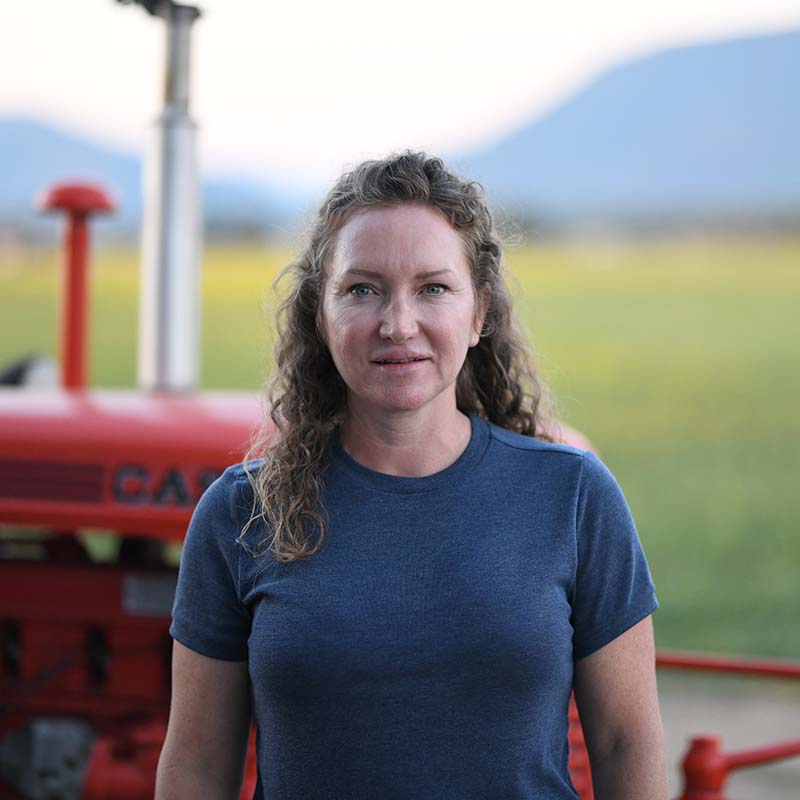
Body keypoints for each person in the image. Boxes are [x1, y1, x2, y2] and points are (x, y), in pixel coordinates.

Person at [156, 152, 668, 799]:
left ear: (479, 313)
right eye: (362, 289)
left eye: (433, 287)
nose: (398, 324)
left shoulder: (574, 497)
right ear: (321, 315)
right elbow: (198, 764)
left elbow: (629, 743)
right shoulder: (240, 513)